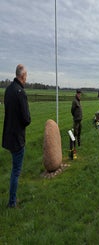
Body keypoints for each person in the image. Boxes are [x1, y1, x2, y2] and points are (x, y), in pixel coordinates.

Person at [2, 64, 31, 208]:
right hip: (17, 138)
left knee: (14, 169)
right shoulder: (21, 92)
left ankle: (12, 199)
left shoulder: (8, 90)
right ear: (22, 76)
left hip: (8, 134)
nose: (26, 78)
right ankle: (12, 202)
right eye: (26, 76)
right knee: (15, 171)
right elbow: (26, 119)